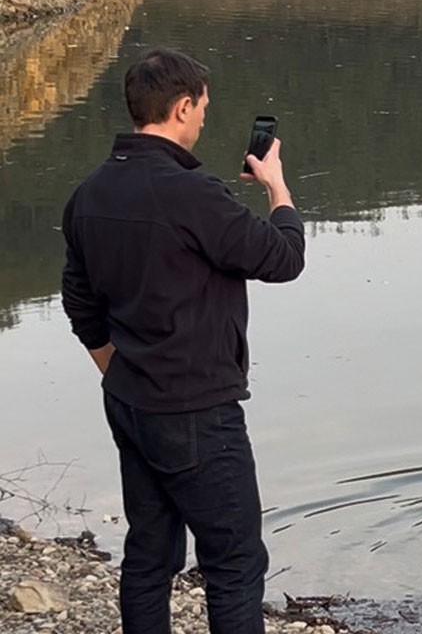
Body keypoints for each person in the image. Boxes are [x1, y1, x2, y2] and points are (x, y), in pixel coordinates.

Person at [60, 47, 305, 634]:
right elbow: (284, 258)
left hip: (130, 402)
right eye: (201, 109)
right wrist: (277, 189)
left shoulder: (89, 194)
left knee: (149, 555)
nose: (202, 120)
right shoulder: (192, 195)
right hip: (196, 408)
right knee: (235, 561)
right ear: (180, 107)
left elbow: (79, 303)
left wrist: (117, 369)